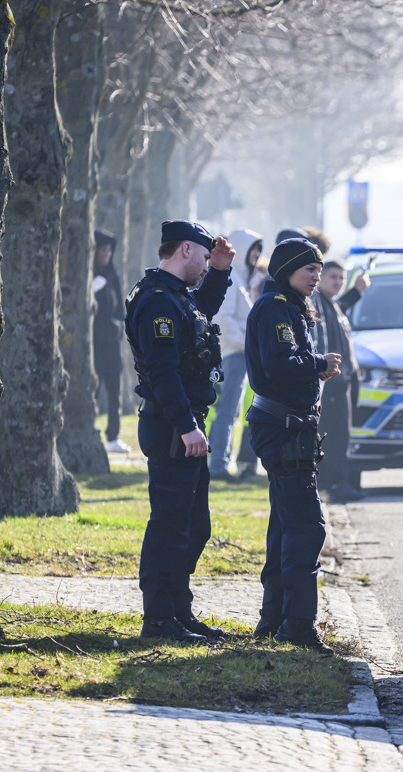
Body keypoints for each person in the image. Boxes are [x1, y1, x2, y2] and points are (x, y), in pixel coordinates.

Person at [124, 220, 235, 643]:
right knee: (171, 523)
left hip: (185, 424)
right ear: (185, 250)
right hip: (172, 426)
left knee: (194, 524)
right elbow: (163, 372)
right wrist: (187, 426)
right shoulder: (155, 300)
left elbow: (199, 313)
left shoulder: (173, 296)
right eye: (205, 258)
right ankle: (158, 618)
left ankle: (177, 610)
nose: (207, 266)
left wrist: (222, 272)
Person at [245, 237, 341, 652]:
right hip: (281, 427)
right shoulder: (275, 309)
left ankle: (274, 618)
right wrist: (320, 364)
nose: (316, 277)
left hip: (292, 427)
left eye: (319, 270)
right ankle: (299, 626)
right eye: (309, 270)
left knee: (285, 525)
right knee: (306, 527)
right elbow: (281, 365)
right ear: (287, 271)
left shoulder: (289, 306)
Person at [312, 260, 369, 502]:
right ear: (321, 278)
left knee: (341, 436)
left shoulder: (332, 304)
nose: (337, 282)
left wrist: (356, 291)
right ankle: (333, 485)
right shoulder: (318, 304)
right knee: (332, 436)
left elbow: (343, 305)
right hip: (332, 382)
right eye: (332, 277)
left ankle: (338, 483)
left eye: (341, 278)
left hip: (343, 382)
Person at [209, 228, 263, 482]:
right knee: (228, 412)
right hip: (235, 354)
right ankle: (218, 463)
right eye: (253, 249)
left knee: (231, 412)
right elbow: (224, 319)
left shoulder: (240, 280)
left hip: (238, 352)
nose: (256, 255)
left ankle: (220, 461)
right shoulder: (233, 281)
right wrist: (248, 344)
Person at [91, 230, 129, 454]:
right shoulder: (89, 276)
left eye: (108, 250)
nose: (106, 254)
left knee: (114, 391)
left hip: (112, 343)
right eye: (101, 250)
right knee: (92, 390)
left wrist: (119, 330)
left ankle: (113, 436)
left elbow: (119, 309)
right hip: (93, 344)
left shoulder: (112, 276)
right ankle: (92, 430)